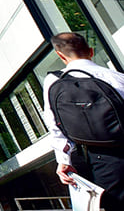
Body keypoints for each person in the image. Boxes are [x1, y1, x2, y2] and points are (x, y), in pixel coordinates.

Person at [42, 31, 124, 209]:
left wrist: (64, 160)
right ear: (91, 51)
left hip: (103, 159)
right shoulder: (116, 78)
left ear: (60, 55)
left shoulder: (53, 80)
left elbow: (55, 124)